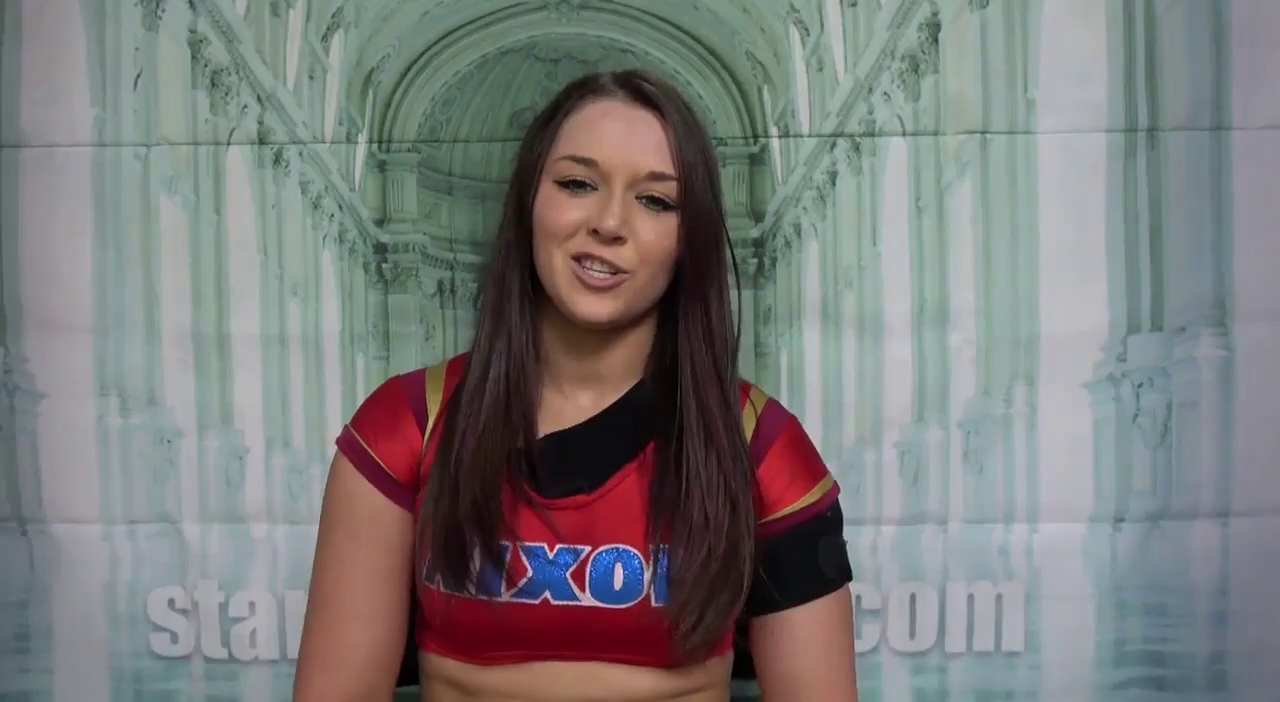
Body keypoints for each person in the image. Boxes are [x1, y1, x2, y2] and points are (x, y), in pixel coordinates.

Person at [292, 69, 859, 702]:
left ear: (689, 237)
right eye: (577, 184)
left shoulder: (762, 448)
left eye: (655, 200)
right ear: (528, 204)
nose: (610, 222)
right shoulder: (404, 429)